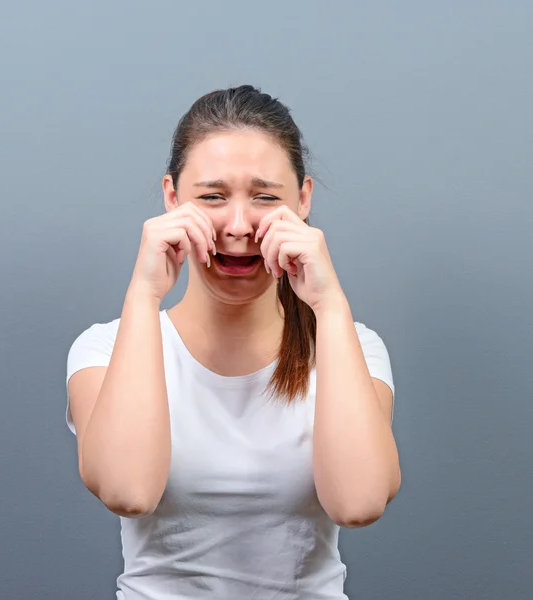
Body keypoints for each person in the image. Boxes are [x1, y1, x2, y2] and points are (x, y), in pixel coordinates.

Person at [65, 84, 401, 600]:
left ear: (303, 200)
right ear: (172, 199)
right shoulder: (105, 350)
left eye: (266, 197)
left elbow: (358, 503)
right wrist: (143, 293)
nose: (239, 226)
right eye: (212, 197)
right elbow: (128, 492)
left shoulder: (351, 346)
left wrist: (330, 305)